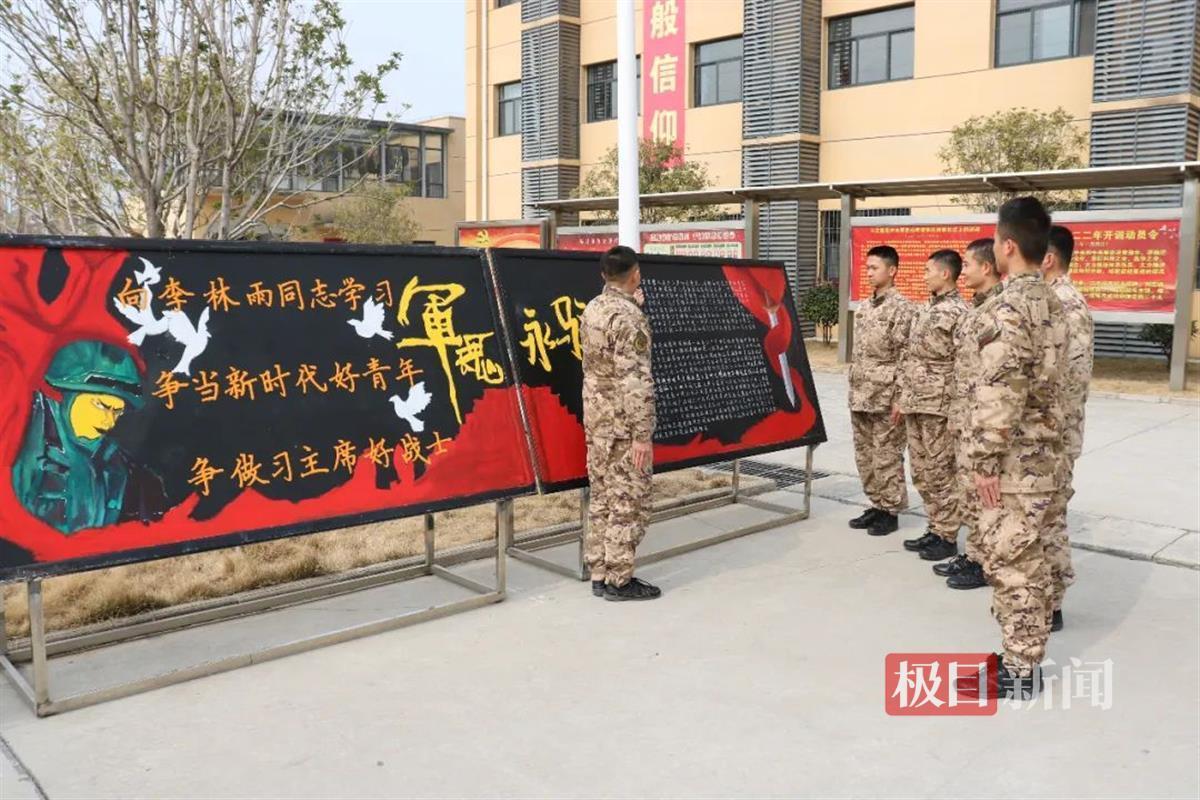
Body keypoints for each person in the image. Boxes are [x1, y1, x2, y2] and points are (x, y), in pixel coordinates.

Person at [966, 197, 1067, 698]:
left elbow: (1000, 390)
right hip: (1046, 456)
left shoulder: (1008, 308)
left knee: (1013, 565)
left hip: (1014, 463)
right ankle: (1025, 655)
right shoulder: (1053, 301)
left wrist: (984, 461)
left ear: (1007, 246)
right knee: (1035, 559)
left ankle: (1021, 669)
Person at [13, 339, 167, 534]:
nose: (109, 421)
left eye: (117, 412)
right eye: (101, 405)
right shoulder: (19, 445)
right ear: (67, 395)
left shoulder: (122, 469)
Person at [579, 245, 661, 601]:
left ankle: (599, 572)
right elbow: (635, 380)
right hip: (623, 424)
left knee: (601, 497)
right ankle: (620, 579)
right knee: (629, 500)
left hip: (597, 420)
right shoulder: (629, 319)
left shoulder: (594, 308)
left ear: (604, 275)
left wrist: (632, 306)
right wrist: (642, 434)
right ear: (635, 274)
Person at [936, 239, 1003, 590]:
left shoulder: (999, 312)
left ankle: (985, 561)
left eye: (968, 265)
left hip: (983, 421)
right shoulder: (975, 309)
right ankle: (974, 554)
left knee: (985, 496)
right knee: (968, 492)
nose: (963, 272)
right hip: (964, 417)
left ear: (986, 267)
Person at [896, 249, 968, 562]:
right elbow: (909, 355)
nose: (924, 276)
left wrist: (957, 410)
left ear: (945, 273)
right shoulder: (925, 308)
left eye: (928, 270)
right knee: (922, 471)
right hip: (915, 401)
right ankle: (935, 526)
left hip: (939, 405)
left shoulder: (959, 312)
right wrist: (902, 396)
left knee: (941, 472)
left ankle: (947, 535)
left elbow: (964, 364)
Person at [1041, 224, 1093, 632]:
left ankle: (1052, 602)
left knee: (1049, 519)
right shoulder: (1051, 301)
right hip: (1047, 434)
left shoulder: (1064, 306)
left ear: (1048, 259)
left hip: (1053, 437)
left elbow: (1066, 384)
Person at [848, 245, 914, 536]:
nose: (869, 272)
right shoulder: (864, 307)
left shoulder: (903, 308)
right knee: (865, 455)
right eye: (867, 267)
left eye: (874, 268)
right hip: (861, 394)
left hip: (887, 396)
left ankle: (891, 510)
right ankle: (876, 504)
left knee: (887, 455)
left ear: (892, 270)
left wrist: (902, 397)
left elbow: (907, 356)